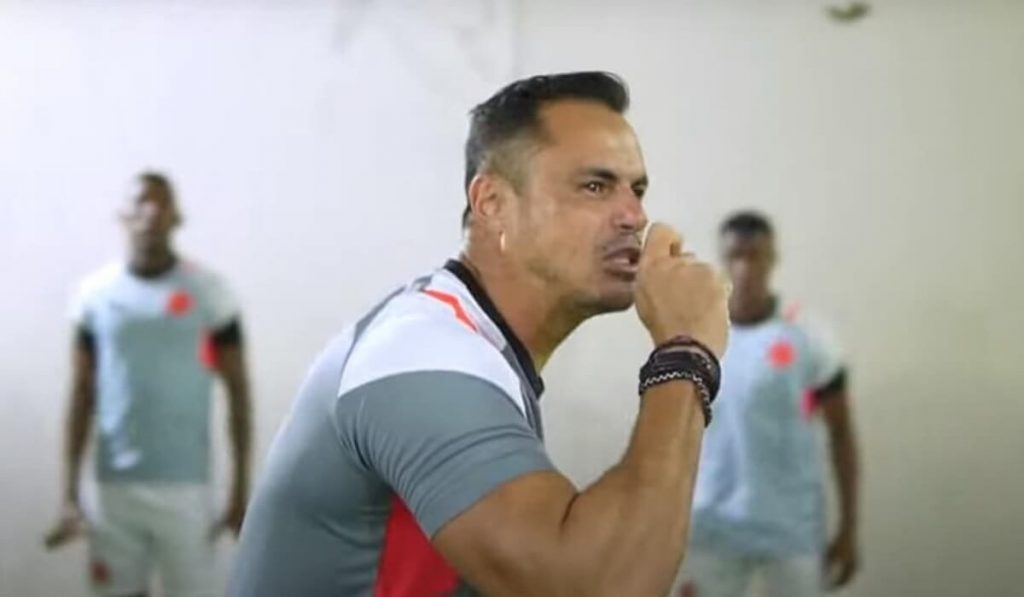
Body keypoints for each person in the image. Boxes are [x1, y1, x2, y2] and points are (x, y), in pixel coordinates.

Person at [229, 71, 731, 596]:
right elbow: (594, 588)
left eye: (637, 190)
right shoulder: (419, 352)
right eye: (595, 186)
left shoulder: (476, 348)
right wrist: (684, 352)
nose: (635, 216)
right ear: (492, 203)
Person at [43, 172, 253, 597]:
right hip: (113, 488)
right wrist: (68, 495)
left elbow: (238, 393)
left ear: (177, 216)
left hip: (187, 487)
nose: (151, 211)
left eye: (162, 202)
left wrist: (239, 493)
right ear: (123, 215)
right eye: (140, 201)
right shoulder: (95, 296)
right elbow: (81, 394)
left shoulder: (210, 294)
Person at [676, 211, 861, 597]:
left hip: (791, 529)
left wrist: (848, 528)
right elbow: (671, 439)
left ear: (772, 259)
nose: (745, 268)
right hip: (710, 527)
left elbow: (841, 434)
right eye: (736, 256)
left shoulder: (809, 337)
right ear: (722, 260)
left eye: (755, 256)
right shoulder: (694, 340)